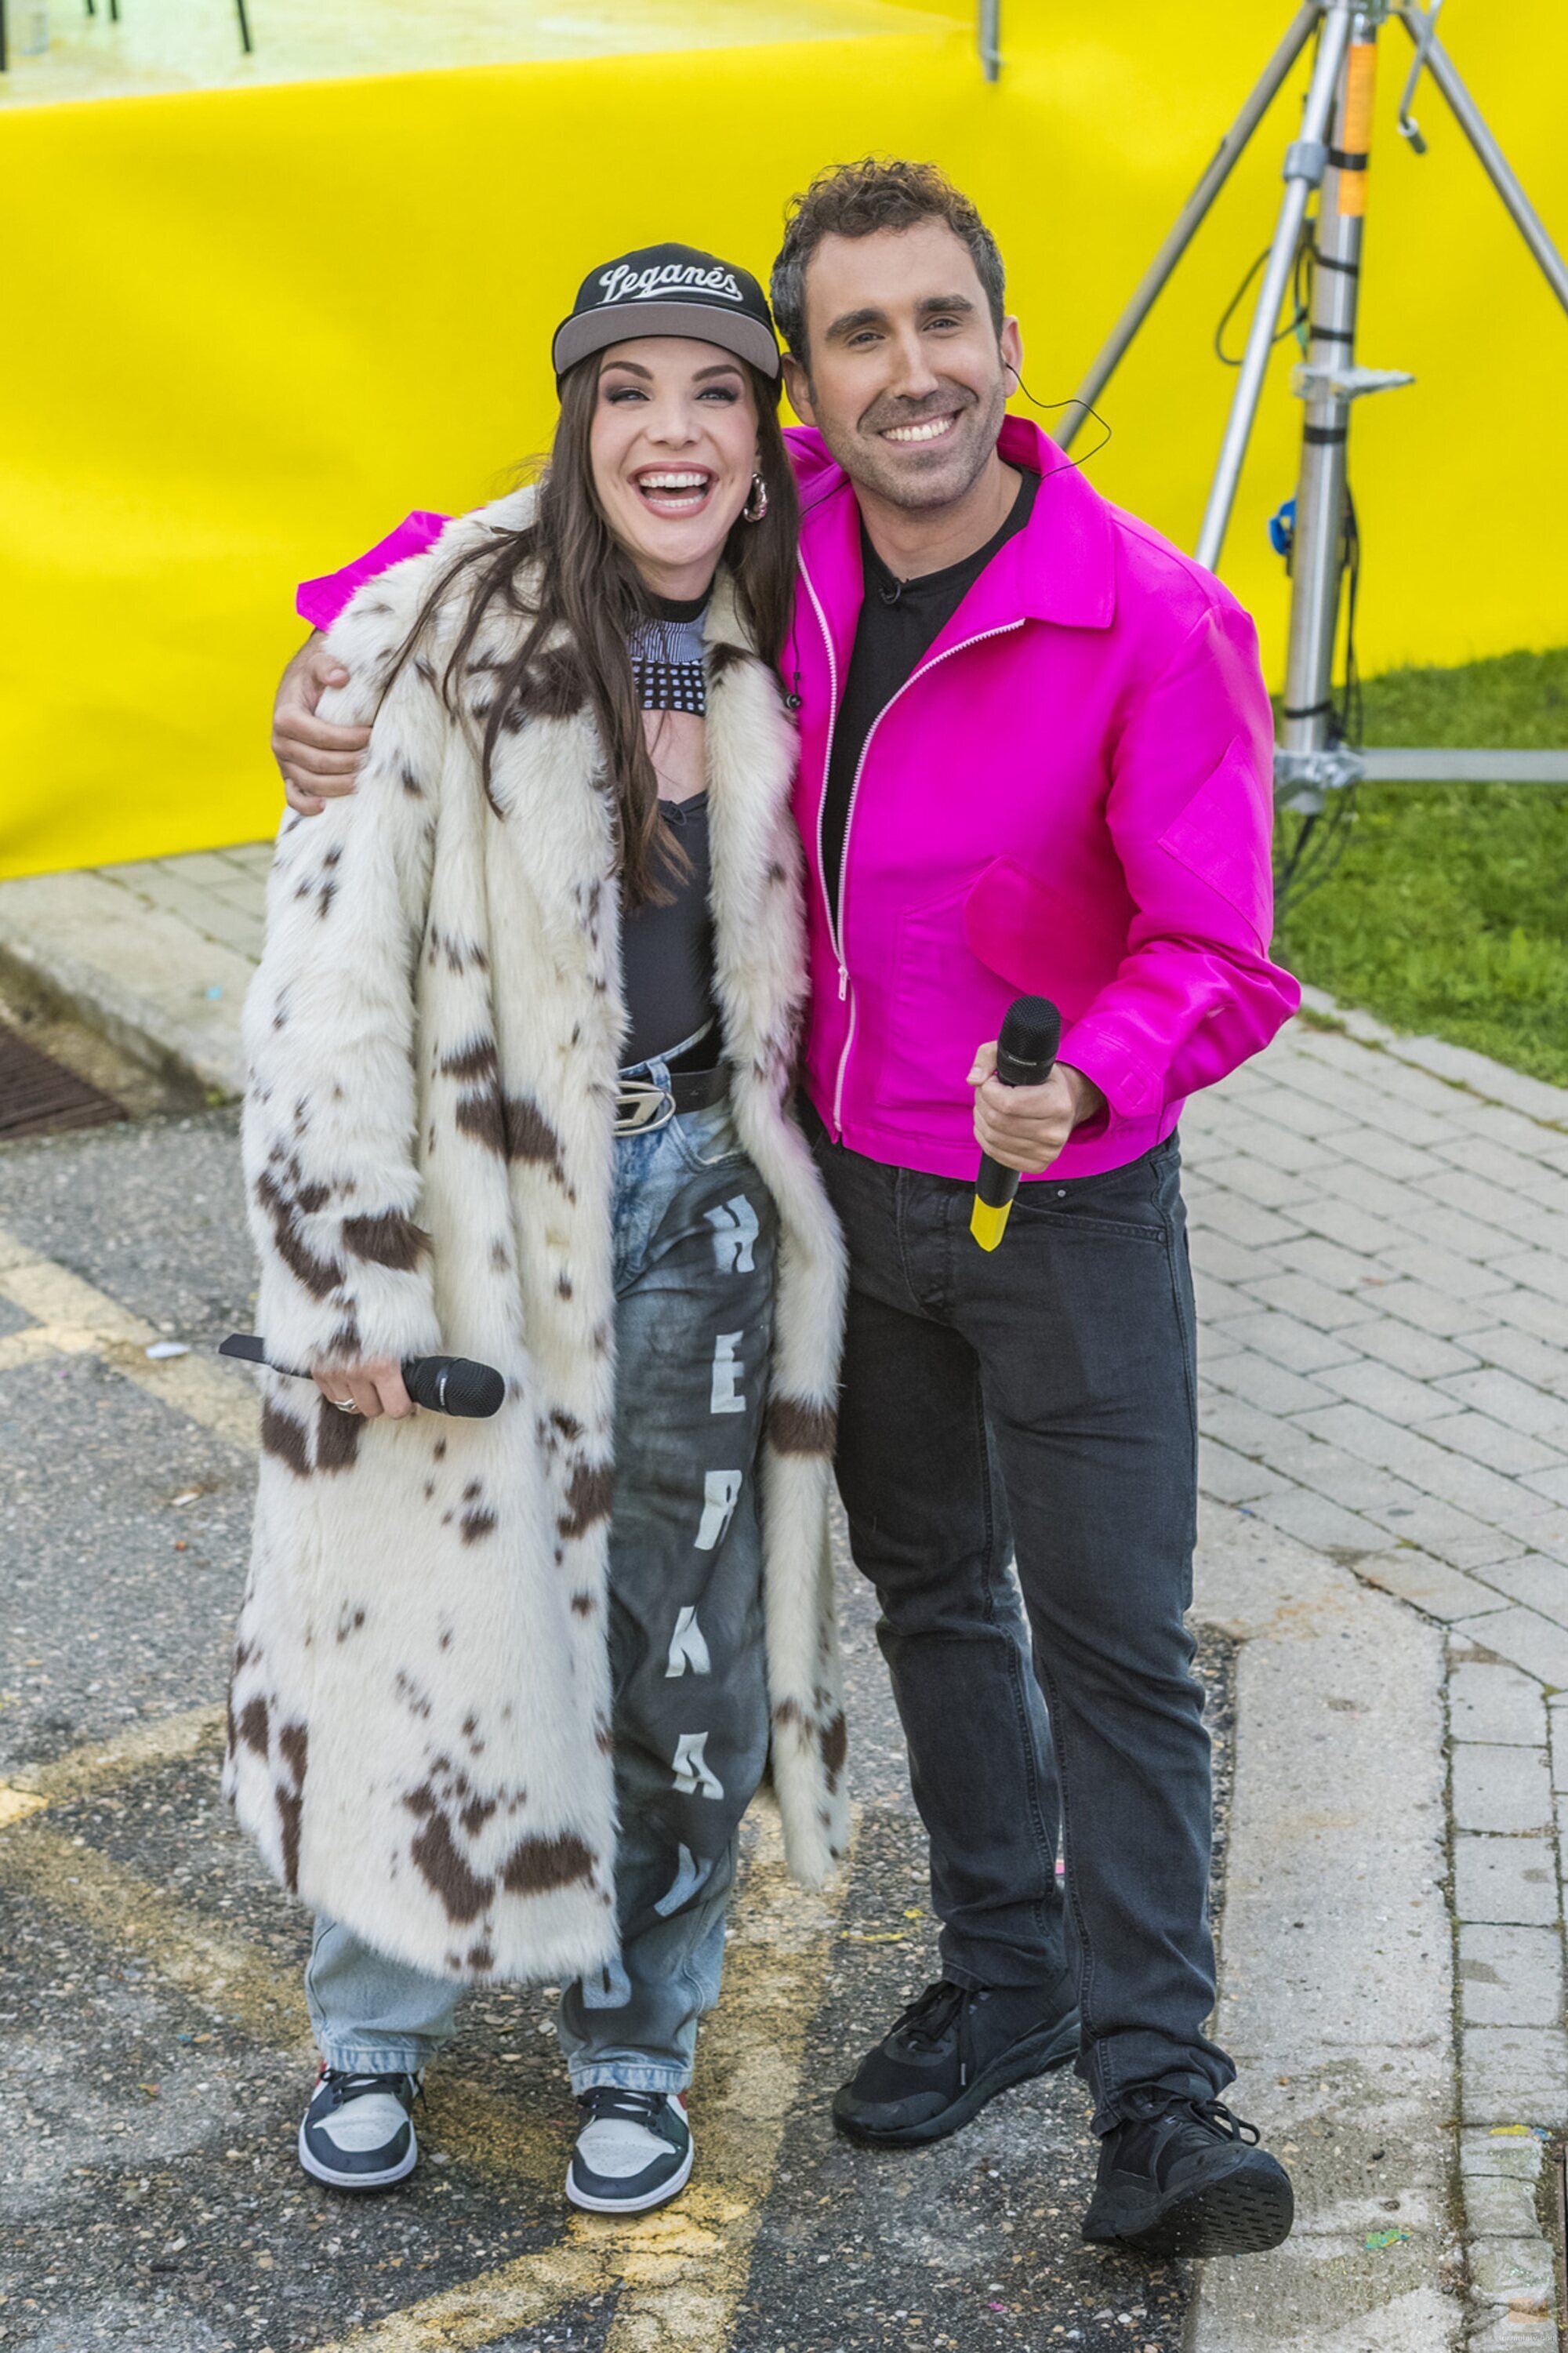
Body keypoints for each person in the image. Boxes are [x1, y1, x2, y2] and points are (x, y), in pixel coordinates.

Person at [270, 160, 1302, 2260]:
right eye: (858, 337)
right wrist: (328, 664)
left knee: (1108, 1643)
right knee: (923, 1598)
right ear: (811, 398)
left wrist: (1092, 1075)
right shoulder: (785, 553)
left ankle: (1165, 2099)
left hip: (1063, 1210)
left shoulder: (1156, 615)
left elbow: (1231, 949)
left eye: (943, 323)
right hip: (827, 1192)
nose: (907, 371)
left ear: (1009, 349)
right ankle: (1003, 1979)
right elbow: (466, 538)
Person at [228, 244, 848, 2221]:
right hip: (485, 1196)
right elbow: (326, 988)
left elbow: (1010, 484)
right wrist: (349, 1274)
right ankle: (373, 2031)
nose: (671, 429)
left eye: (716, 393)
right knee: (423, 1610)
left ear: (768, 439)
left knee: (678, 1640)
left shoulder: (807, 602)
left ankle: (635, 2045)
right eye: (627, 391)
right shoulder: (440, 627)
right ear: (574, 424)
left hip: (706, 1199)